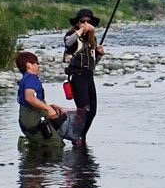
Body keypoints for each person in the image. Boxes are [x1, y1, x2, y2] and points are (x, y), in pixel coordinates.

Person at [63, 8, 106, 146]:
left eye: (89, 22)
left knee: (92, 111)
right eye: (83, 21)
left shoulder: (92, 40)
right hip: (77, 77)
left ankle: (81, 136)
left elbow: (93, 62)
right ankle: (76, 136)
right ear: (77, 23)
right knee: (84, 110)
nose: (86, 24)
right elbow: (68, 44)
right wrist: (81, 31)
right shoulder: (71, 36)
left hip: (89, 76)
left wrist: (99, 54)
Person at [15, 51, 68, 148]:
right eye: (36, 63)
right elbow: (29, 98)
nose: (39, 65)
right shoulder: (31, 79)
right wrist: (48, 109)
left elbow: (33, 100)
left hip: (27, 123)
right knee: (56, 144)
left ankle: (33, 148)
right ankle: (30, 148)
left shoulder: (26, 79)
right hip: (32, 123)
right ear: (29, 65)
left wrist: (49, 106)